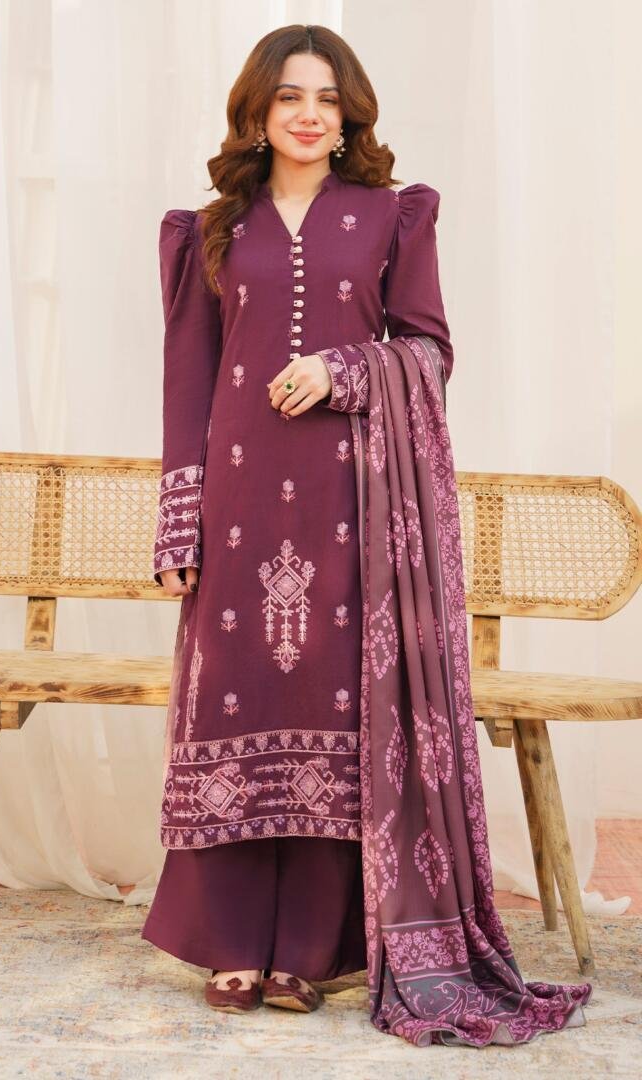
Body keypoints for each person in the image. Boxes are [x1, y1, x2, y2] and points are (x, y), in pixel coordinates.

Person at [141, 24, 593, 1044]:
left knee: (331, 707)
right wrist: (179, 521)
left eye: (327, 99)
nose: (309, 114)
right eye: (289, 96)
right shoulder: (211, 230)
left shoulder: (392, 216)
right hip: (239, 508)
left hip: (354, 504)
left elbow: (427, 350)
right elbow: (186, 382)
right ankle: (230, 941)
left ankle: (307, 950)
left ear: (348, 117)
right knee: (235, 700)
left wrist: (346, 370)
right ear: (257, 111)